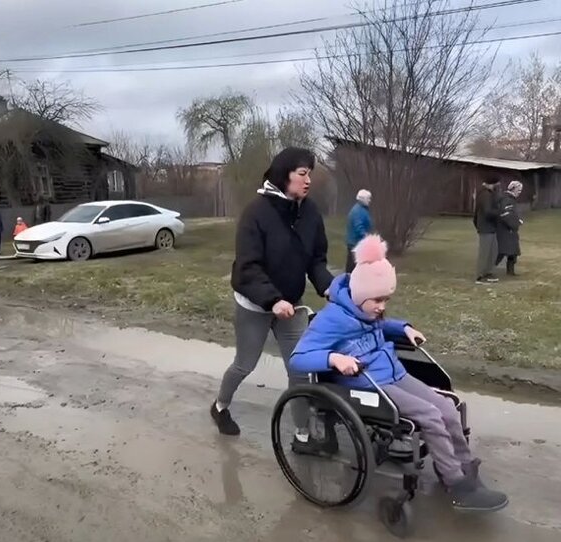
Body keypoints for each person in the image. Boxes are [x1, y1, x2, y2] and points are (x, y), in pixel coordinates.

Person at [289, 234, 509, 512]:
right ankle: (456, 483)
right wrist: (333, 358)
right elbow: (298, 358)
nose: (382, 306)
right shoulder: (331, 320)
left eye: (386, 299)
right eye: (378, 300)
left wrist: (403, 328)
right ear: (360, 295)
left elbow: (381, 324)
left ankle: (463, 468)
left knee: (447, 407)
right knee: (430, 416)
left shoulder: (366, 311)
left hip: (393, 374)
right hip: (367, 385)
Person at [210, 147, 334, 451]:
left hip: (291, 305)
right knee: (245, 364)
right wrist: (272, 300)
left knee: (300, 370)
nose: (308, 181)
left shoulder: (310, 212)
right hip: (256, 303)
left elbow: (316, 259)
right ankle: (220, 407)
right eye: (302, 174)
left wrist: (329, 287)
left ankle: (303, 436)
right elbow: (248, 267)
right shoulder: (256, 214)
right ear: (284, 174)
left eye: (310, 174)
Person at [473, 176, 501, 284]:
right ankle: (480, 275)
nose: (497, 187)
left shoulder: (488, 194)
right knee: (485, 253)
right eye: (496, 184)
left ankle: (488, 272)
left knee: (492, 252)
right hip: (486, 227)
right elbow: (487, 212)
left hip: (490, 227)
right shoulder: (485, 195)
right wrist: (499, 213)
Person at [494, 181, 523, 276]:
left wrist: (517, 220)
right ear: (513, 189)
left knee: (512, 252)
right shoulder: (507, 199)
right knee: (502, 251)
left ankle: (510, 271)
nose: (520, 192)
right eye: (519, 190)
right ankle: (488, 269)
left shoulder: (510, 199)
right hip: (505, 230)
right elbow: (506, 215)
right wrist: (515, 224)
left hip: (510, 230)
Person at [345, 189, 373, 273]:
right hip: (356, 243)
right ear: (363, 199)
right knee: (353, 266)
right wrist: (366, 236)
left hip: (357, 243)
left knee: (354, 265)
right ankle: (349, 281)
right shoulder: (358, 211)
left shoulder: (361, 209)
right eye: (368, 198)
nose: (369, 200)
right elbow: (358, 227)